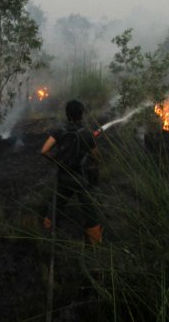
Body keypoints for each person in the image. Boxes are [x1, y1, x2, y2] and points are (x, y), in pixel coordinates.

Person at [41, 100, 103, 244]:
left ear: (67, 114)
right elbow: (96, 156)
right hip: (81, 178)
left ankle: (46, 230)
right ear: (81, 114)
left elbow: (43, 151)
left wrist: (56, 160)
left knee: (56, 205)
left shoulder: (59, 131)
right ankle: (95, 242)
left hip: (63, 177)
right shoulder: (87, 133)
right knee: (90, 210)